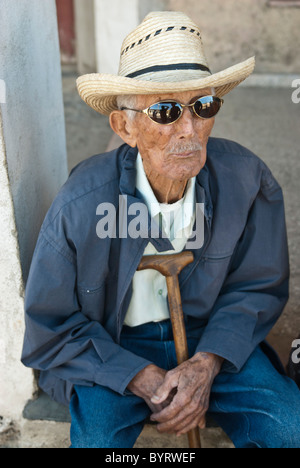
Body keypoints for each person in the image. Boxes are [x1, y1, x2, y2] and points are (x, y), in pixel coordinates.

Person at [21, 11, 300, 448]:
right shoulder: (80, 204)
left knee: (288, 426)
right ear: (125, 127)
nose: (189, 130)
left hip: (213, 339)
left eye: (202, 106)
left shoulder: (248, 181)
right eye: (165, 111)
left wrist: (208, 361)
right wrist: (134, 375)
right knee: (96, 441)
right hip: (114, 350)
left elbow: (258, 288)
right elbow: (50, 325)